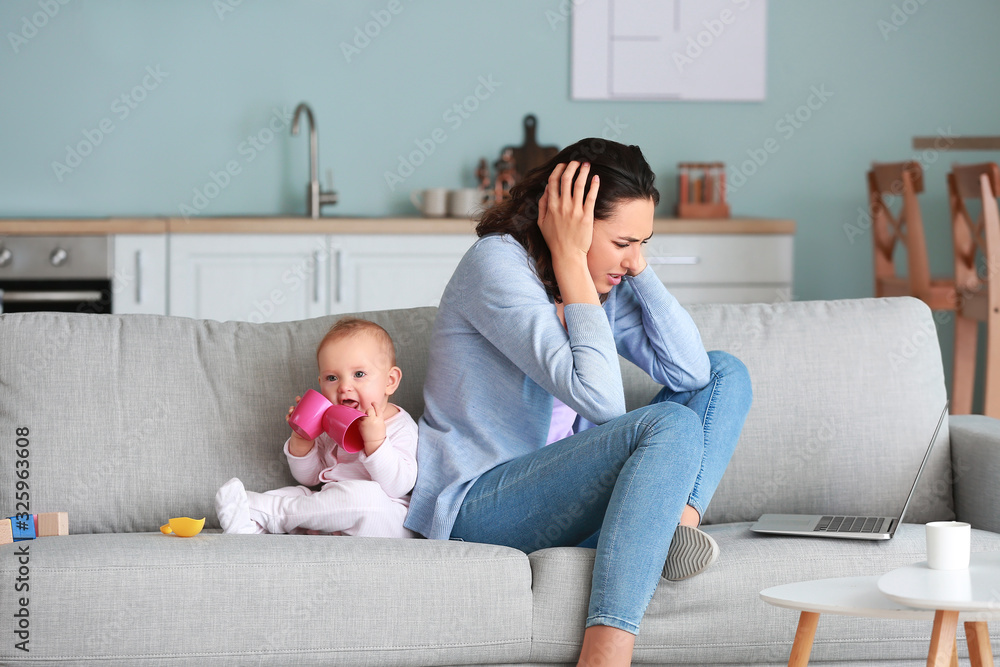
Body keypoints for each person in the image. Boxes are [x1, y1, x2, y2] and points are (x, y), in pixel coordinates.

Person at [403, 139, 752, 666]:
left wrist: (636, 266)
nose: (632, 261)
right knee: (669, 427)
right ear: (574, 222)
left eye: (644, 242)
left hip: (565, 498)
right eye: (623, 242)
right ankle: (606, 653)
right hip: (480, 503)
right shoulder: (497, 266)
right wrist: (569, 258)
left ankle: (671, 527)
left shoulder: (605, 277)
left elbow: (692, 371)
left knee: (726, 371)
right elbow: (603, 402)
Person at [215, 317, 418, 538]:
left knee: (362, 497)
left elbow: (398, 486)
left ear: (390, 381)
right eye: (332, 378)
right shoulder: (330, 423)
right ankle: (248, 523)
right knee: (300, 494)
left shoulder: (400, 424)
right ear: (320, 383)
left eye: (359, 374)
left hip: (383, 517)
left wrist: (376, 443)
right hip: (330, 512)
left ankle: (260, 510)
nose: (344, 387)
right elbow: (309, 478)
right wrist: (303, 441)